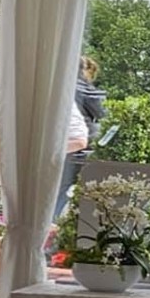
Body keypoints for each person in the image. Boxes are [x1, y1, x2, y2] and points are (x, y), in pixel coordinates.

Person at [53, 57, 107, 220]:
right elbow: (102, 113)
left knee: (59, 191)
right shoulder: (81, 86)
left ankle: (51, 225)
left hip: (67, 144)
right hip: (80, 148)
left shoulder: (63, 86)